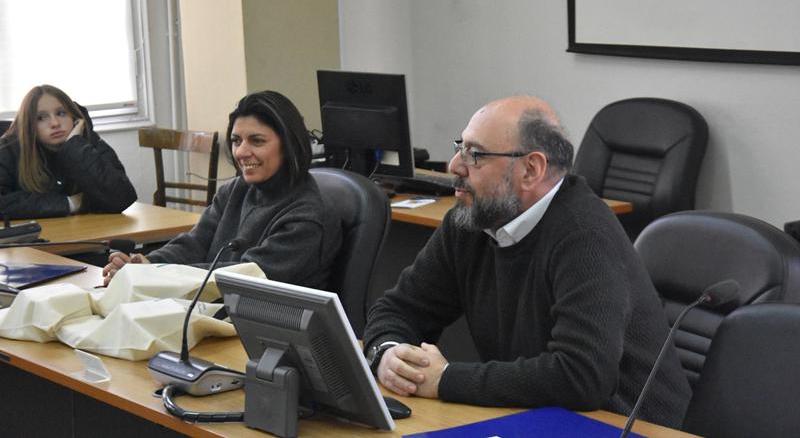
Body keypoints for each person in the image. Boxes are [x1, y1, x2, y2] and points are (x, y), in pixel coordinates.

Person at [362, 96, 692, 428]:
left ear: (531, 170)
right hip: (538, 415)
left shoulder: (585, 235)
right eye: (460, 148)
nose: (455, 166)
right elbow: (398, 309)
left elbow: (582, 375)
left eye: (475, 155)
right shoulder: (472, 221)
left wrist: (447, 378)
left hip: (626, 425)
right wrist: (388, 354)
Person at [102, 90, 342, 290]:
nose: (241, 152)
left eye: (257, 141)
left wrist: (153, 274)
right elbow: (194, 243)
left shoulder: (308, 215)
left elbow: (246, 277)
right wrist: (146, 263)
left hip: (267, 324)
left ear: (289, 145)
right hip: (215, 311)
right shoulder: (236, 190)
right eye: (236, 141)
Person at [0, 85, 137, 219]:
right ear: (29, 125)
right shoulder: (9, 148)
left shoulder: (88, 141)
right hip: (37, 233)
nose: (55, 123)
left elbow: (123, 197)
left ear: (75, 118)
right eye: (41, 118)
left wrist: (75, 146)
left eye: (61, 113)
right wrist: (69, 204)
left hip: (88, 231)